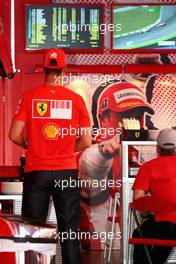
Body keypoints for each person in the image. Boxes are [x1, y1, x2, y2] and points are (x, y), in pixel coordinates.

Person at [9, 48, 92, 264]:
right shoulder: (76, 100)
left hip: (37, 172)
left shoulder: (29, 97)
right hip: (66, 171)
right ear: (63, 70)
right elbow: (86, 141)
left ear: (44, 69)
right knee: (69, 230)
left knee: (35, 230)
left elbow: (14, 135)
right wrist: (64, 150)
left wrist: (31, 144)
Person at [78, 81, 154, 249]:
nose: (133, 122)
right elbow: (91, 163)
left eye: (138, 115)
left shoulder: (144, 150)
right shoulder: (92, 152)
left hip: (129, 240)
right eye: (126, 116)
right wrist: (105, 151)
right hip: (99, 245)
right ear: (103, 119)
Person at [132, 128, 176, 264]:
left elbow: (138, 199)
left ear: (157, 148)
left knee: (139, 234)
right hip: (170, 228)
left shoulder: (148, 167)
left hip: (165, 223)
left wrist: (146, 215)